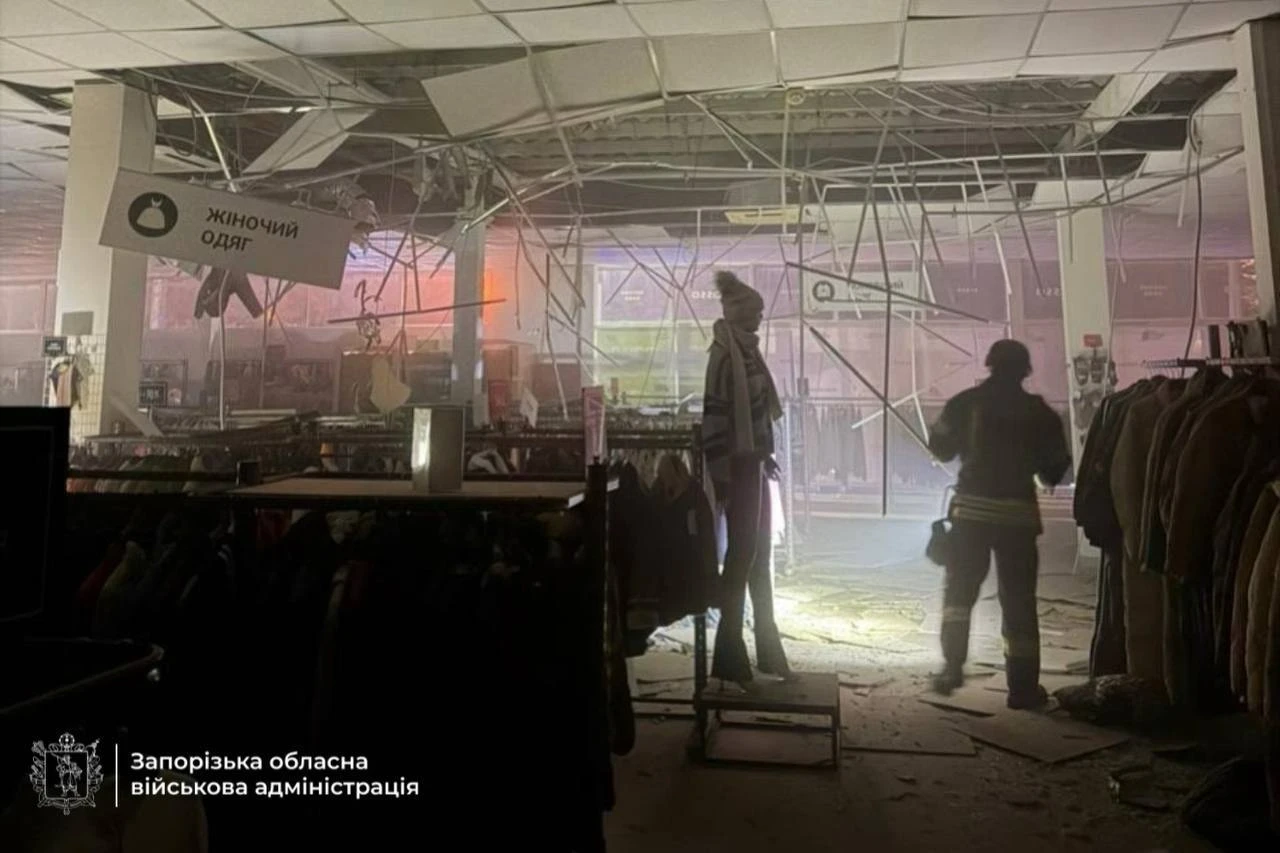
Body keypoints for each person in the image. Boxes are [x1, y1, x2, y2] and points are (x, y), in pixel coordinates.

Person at [927, 339, 1071, 709]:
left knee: (959, 596)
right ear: (1025, 371)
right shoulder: (1039, 413)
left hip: (970, 516)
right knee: (1019, 602)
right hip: (1018, 519)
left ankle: (952, 669)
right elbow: (1054, 470)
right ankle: (1022, 690)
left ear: (989, 365)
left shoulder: (964, 403)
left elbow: (939, 447)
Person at [702, 270, 789, 685]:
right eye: (754, 312)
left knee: (759, 558)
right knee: (741, 559)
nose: (759, 319)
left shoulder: (747, 354)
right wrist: (724, 479)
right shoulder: (723, 357)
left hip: (753, 465)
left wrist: (764, 455)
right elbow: (716, 419)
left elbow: (752, 416)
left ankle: (766, 650)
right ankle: (730, 653)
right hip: (738, 471)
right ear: (738, 315)